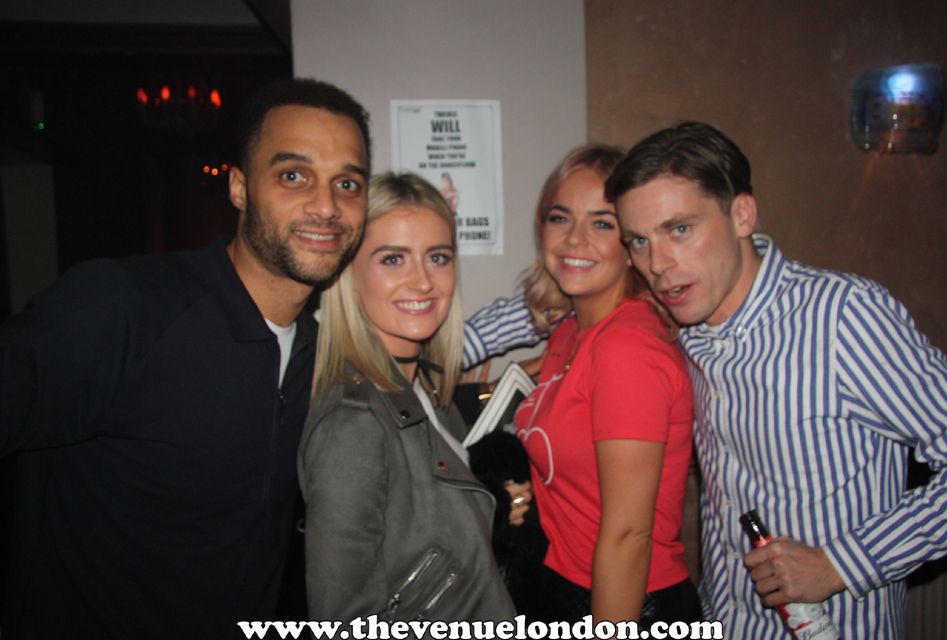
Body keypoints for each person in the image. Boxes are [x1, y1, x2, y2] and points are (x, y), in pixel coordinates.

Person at [0, 77, 371, 638]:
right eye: (293, 175)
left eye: (347, 183)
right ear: (240, 188)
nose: (326, 206)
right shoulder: (124, 307)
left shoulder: (317, 357)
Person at [606, 121, 947, 639]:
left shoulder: (842, 317)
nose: (656, 264)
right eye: (639, 240)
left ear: (742, 215)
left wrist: (842, 564)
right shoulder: (686, 329)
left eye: (679, 229)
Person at [300, 172, 516, 624]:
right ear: (348, 275)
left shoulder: (426, 390)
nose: (422, 282)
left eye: (437, 257)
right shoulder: (353, 424)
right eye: (393, 259)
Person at [512, 145, 700, 626]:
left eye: (602, 223)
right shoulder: (569, 334)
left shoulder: (627, 347)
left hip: (625, 603)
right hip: (564, 585)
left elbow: (628, 536)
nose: (574, 238)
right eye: (560, 218)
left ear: (633, 243)